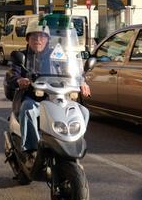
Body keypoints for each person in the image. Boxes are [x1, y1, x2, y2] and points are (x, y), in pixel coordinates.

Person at [6, 19, 91, 153]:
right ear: (28, 39)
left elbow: (72, 71)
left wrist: (82, 82)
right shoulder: (22, 56)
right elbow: (12, 74)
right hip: (33, 97)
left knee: (83, 112)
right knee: (28, 109)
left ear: (47, 39)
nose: (38, 40)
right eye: (34, 36)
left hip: (56, 97)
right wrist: (19, 80)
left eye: (42, 36)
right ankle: (31, 150)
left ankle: (73, 145)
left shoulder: (57, 54)